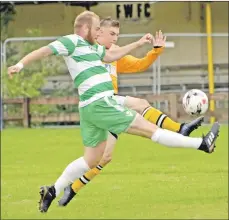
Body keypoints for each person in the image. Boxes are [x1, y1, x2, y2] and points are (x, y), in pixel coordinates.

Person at [8, 11, 220, 213]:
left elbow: (111, 56)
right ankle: (201, 143)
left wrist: (138, 43)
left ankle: (52, 190)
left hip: (92, 108)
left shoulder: (93, 48)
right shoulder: (72, 41)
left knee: (92, 160)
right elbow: (44, 50)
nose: (99, 31)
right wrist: (20, 64)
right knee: (150, 130)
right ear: (84, 28)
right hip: (101, 104)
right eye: (97, 28)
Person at [58, 17, 205, 206]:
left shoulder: (115, 54)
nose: (115, 39)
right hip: (101, 105)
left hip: (112, 106)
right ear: (98, 32)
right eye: (111, 34)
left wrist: (156, 51)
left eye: (117, 35)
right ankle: (180, 129)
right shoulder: (88, 51)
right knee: (139, 104)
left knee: (105, 158)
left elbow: (139, 65)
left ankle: (73, 188)